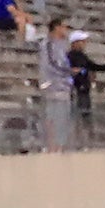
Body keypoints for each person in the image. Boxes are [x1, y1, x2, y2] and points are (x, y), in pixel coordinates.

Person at [37, 17, 75, 151]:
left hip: (63, 87)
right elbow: (52, 64)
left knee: (63, 118)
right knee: (52, 117)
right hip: (52, 86)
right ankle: (51, 146)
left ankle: (61, 146)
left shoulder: (62, 45)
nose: (66, 30)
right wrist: (69, 71)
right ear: (57, 27)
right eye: (64, 27)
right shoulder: (48, 44)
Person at [67, 30, 105, 115]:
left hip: (84, 88)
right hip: (77, 89)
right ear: (75, 43)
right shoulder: (70, 56)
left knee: (85, 111)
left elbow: (92, 66)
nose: (85, 43)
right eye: (82, 41)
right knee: (79, 112)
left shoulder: (82, 56)